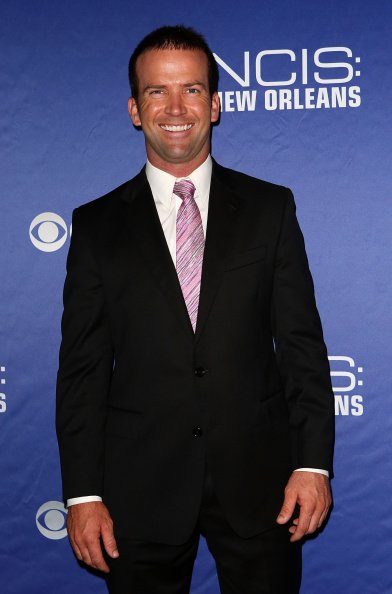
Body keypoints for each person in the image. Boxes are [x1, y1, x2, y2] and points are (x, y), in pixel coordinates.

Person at [56, 25, 334, 594]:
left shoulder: (269, 209)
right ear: (136, 109)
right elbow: (82, 371)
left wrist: (313, 464)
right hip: (139, 490)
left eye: (192, 90)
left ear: (216, 103)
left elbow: (301, 345)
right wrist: (84, 494)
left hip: (263, 488)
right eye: (158, 92)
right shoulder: (96, 226)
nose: (176, 108)